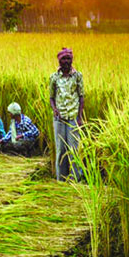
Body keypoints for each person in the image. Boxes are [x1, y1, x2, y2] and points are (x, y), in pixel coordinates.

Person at [49, 47, 85, 180]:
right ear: (59, 60)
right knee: (61, 149)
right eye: (63, 59)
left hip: (73, 117)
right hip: (59, 118)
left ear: (72, 60)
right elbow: (51, 97)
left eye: (68, 58)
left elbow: (81, 96)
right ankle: (61, 179)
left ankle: (76, 178)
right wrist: (55, 110)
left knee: (74, 149)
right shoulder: (54, 77)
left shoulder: (77, 76)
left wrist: (80, 117)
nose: (66, 61)